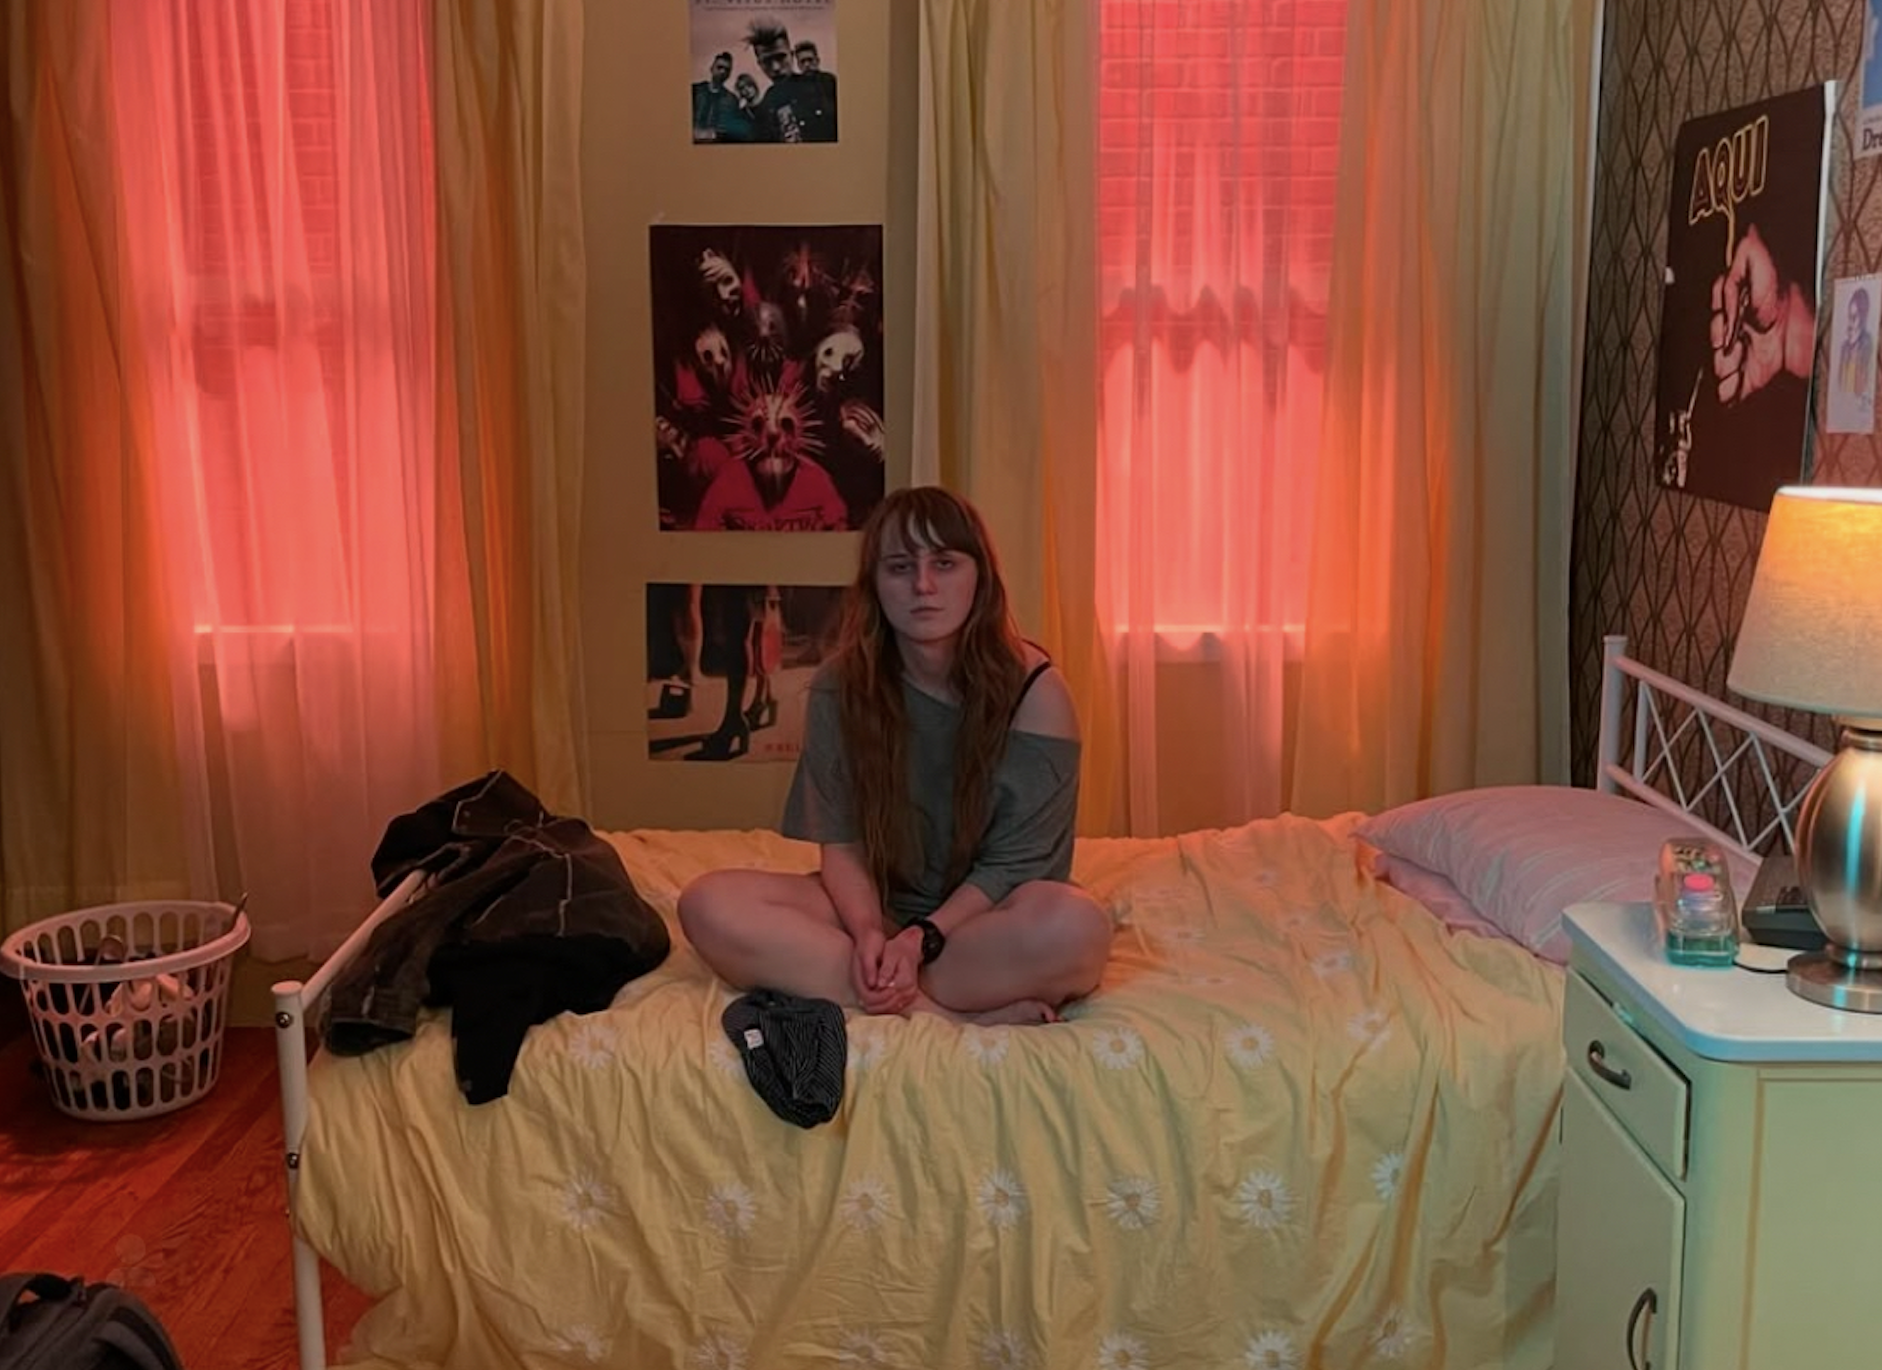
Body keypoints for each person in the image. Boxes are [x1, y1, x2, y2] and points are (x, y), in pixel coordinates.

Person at [679, 486, 1113, 1025]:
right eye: (900, 567)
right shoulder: (840, 685)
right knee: (707, 903)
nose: (923, 586)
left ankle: (886, 989)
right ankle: (941, 1013)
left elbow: (1018, 865)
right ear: (875, 584)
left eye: (945, 564)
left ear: (980, 577)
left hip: (983, 920)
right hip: (878, 910)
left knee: (1077, 929)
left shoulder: (1037, 691)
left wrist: (921, 939)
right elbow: (841, 842)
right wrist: (866, 934)